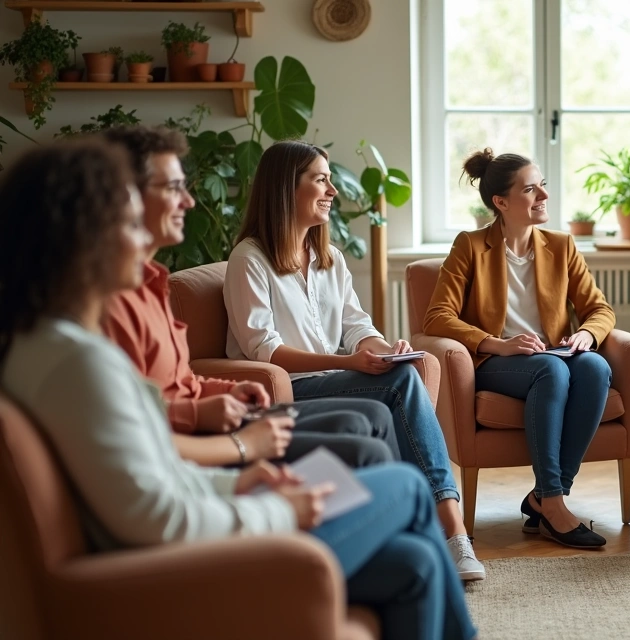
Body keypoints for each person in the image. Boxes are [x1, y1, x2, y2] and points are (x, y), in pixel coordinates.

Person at [0, 139, 478, 640]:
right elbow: (160, 517)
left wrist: (237, 481)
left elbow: (153, 470)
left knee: (417, 561)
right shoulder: (80, 363)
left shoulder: (49, 347)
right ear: (81, 236)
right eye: (128, 221)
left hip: (195, 533)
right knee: (402, 486)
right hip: (185, 567)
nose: (144, 237)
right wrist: (276, 507)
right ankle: (453, 533)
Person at [222, 140, 483, 580]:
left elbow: (357, 327)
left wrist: (385, 348)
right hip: (290, 386)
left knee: (402, 370)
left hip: (336, 377)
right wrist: (350, 364)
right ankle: (452, 530)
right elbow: (263, 349)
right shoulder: (249, 259)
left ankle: (420, 526)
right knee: (398, 385)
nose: (332, 190)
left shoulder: (329, 258)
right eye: (320, 180)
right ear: (287, 188)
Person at [99, 125, 397, 470]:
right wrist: (239, 442)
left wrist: (223, 392)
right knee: (371, 443)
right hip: (224, 434)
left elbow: (177, 383)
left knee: (370, 417)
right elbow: (135, 425)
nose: (189, 200)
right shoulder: (106, 309)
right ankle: (430, 505)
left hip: (218, 420)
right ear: (127, 198)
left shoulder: (152, 287)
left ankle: (415, 506)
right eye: (172, 187)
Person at [423, 148, 616, 550]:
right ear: (501, 202)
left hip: (553, 357)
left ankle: (544, 497)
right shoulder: (470, 246)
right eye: (531, 189)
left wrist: (587, 335)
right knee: (553, 371)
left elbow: (599, 308)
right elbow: (437, 317)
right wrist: (497, 344)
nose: (544, 196)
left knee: (595, 367)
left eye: (542, 186)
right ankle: (554, 502)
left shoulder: (561, 246)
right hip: (499, 362)